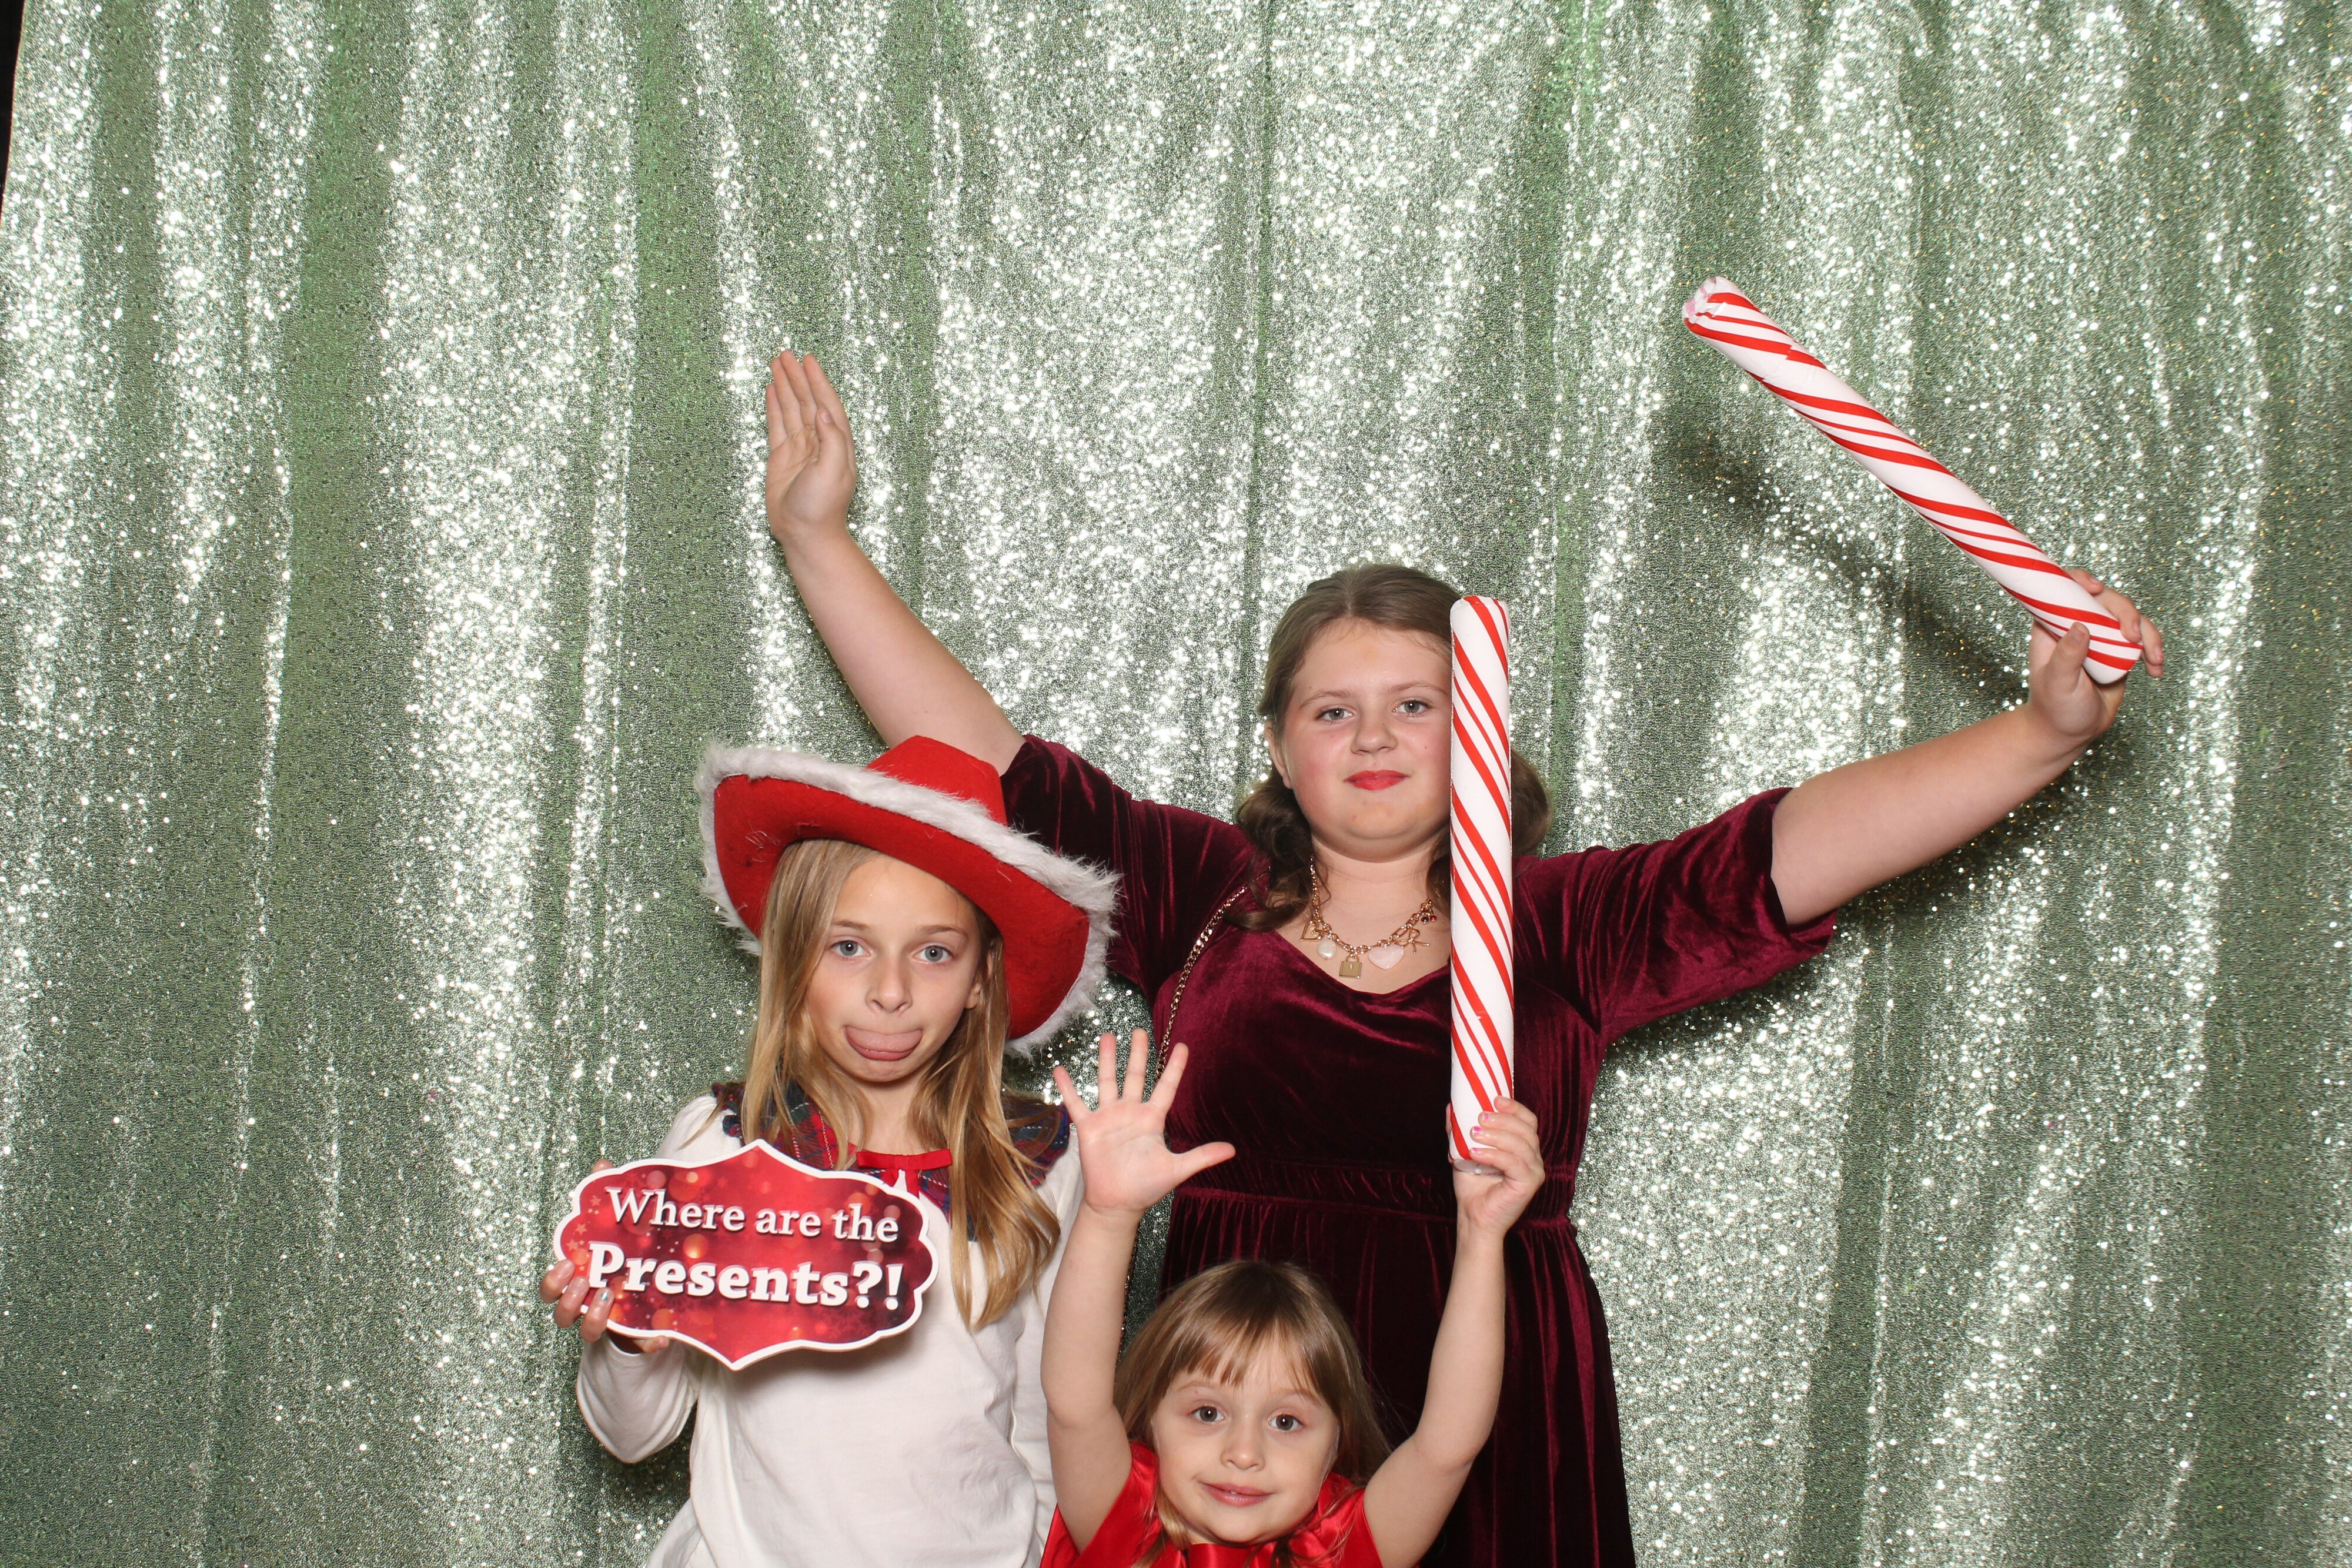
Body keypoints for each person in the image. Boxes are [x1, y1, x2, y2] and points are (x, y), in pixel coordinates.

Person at [756, 349, 2166, 1566]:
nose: (1371, 737)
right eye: (1330, 710)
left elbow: (1793, 848)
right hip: (1235, 1403)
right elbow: (986, 769)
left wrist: (2037, 734)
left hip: (1492, 1404)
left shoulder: (1562, 921)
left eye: (1414, 705)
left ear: (1477, 730)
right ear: (1279, 745)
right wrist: (818, 538)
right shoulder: (1205, 894)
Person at [539, 736, 1119, 1568]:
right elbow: (634, 1435)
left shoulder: (1041, 1166)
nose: (891, 992)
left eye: (934, 952)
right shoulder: (723, 1144)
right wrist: (627, 1332)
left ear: (981, 978)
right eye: (849, 946)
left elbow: (1046, 1418)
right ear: (794, 957)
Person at [1038, 1029, 1543, 1568]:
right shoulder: (1124, 1528)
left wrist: (1481, 1234)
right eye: (1207, 1412)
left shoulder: (1341, 1552)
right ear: (1151, 1420)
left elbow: (1446, 1446)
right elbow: (1076, 1403)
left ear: (1336, 1445)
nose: (1243, 1453)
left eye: (1286, 1421)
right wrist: (1110, 1215)